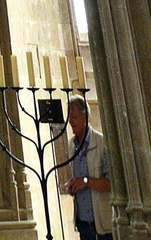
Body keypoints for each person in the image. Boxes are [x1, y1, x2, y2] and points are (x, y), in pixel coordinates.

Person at [56, 96, 113, 240]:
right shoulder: (71, 145)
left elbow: (111, 183)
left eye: (74, 117)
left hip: (102, 225)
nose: (70, 121)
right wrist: (72, 185)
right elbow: (76, 177)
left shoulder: (102, 143)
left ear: (85, 117)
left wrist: (85, 181)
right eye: (69, 117)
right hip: (83, 224)